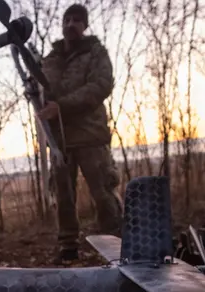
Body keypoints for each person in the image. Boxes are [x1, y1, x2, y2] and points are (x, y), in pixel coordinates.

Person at [38, 3, 122, 264]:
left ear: (85, 25)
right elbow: (42, 92)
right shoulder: (49, 60)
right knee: (63, 195)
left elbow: (101, 86)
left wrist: (61, 107)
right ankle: (68, 246)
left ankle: (119, 244)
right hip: (60, 139)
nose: (70, 24)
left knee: (104, 193)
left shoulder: (96, 53)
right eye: (67, 19)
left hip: (90, 136)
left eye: (76, 20)